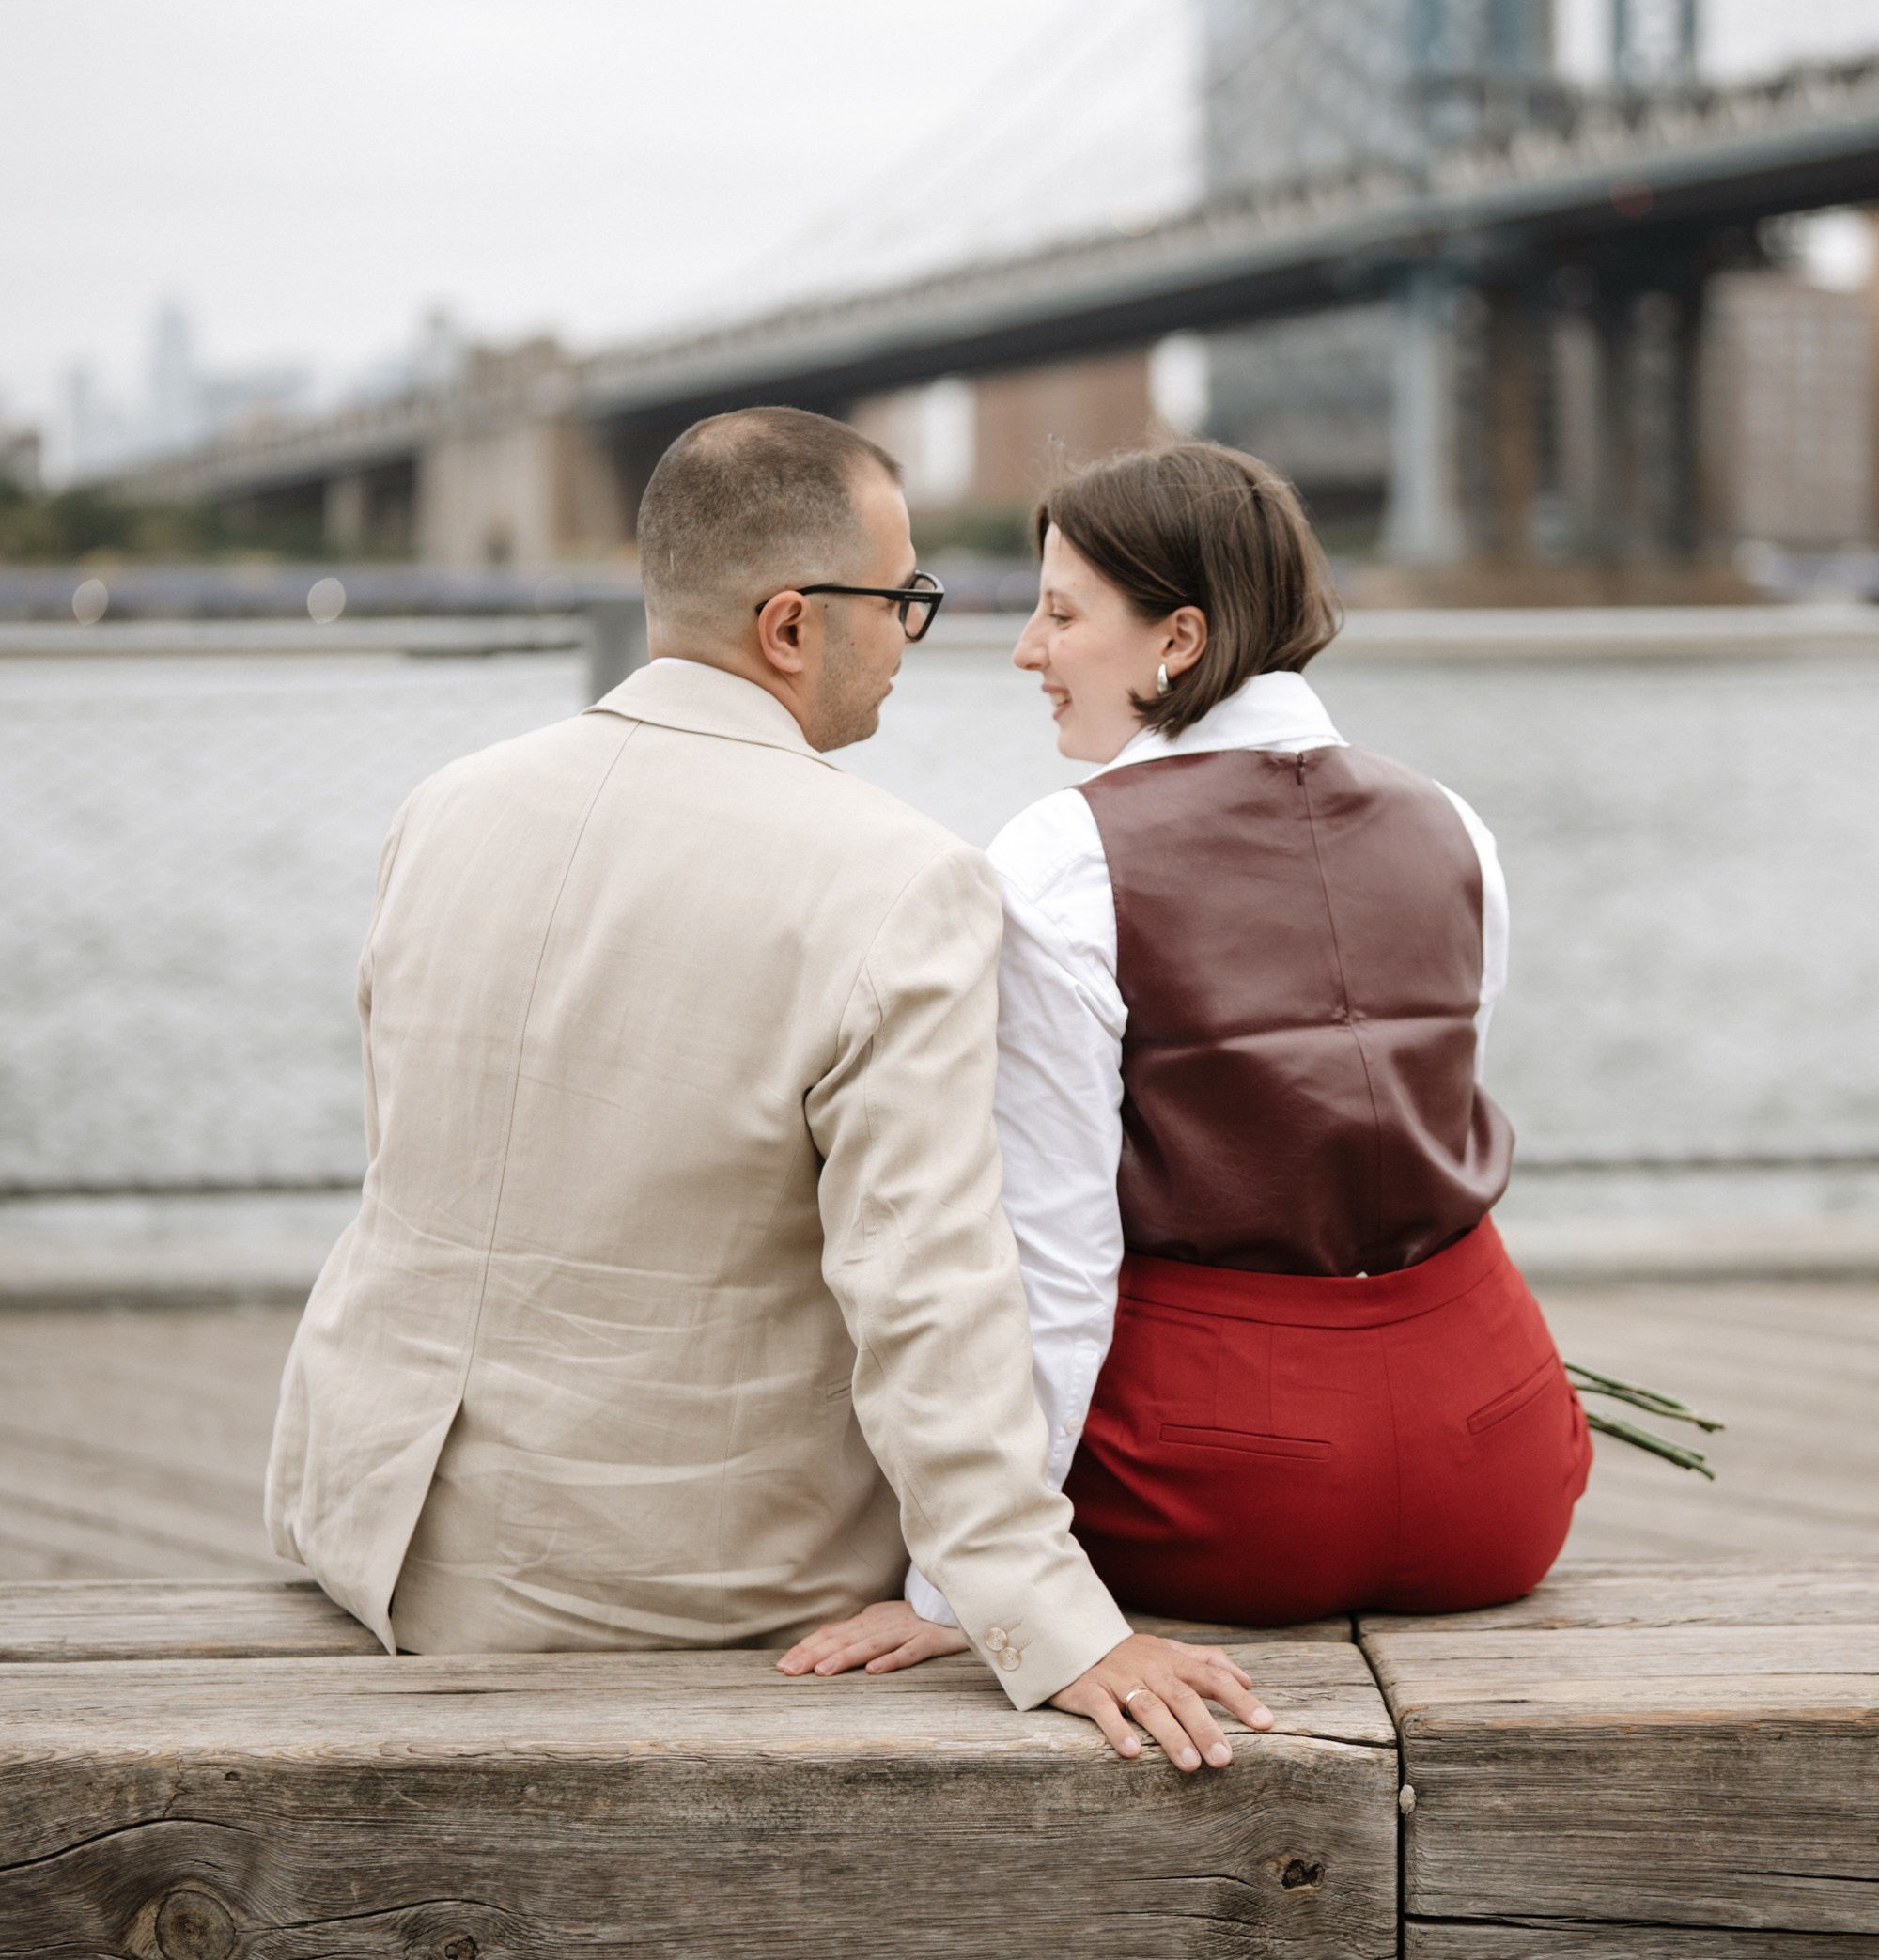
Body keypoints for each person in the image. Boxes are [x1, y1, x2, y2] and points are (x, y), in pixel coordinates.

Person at [266, 405, 1269, 1772]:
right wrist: (1052, 1621)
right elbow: (927, 1292)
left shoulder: (444, 806)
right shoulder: (894, 879)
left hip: (369, 1522)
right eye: (903, 597)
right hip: (665, 1577)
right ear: (792, 626)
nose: (915, 636)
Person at [785, 440, 1588, 1675]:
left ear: (1180, 639)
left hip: (1224, 1496)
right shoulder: (1452, 824)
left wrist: (959, 1591)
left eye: (1061, 614)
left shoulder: (1066, 856)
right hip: (1502, 1477)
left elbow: (1053, 1263)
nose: (1027, 652)